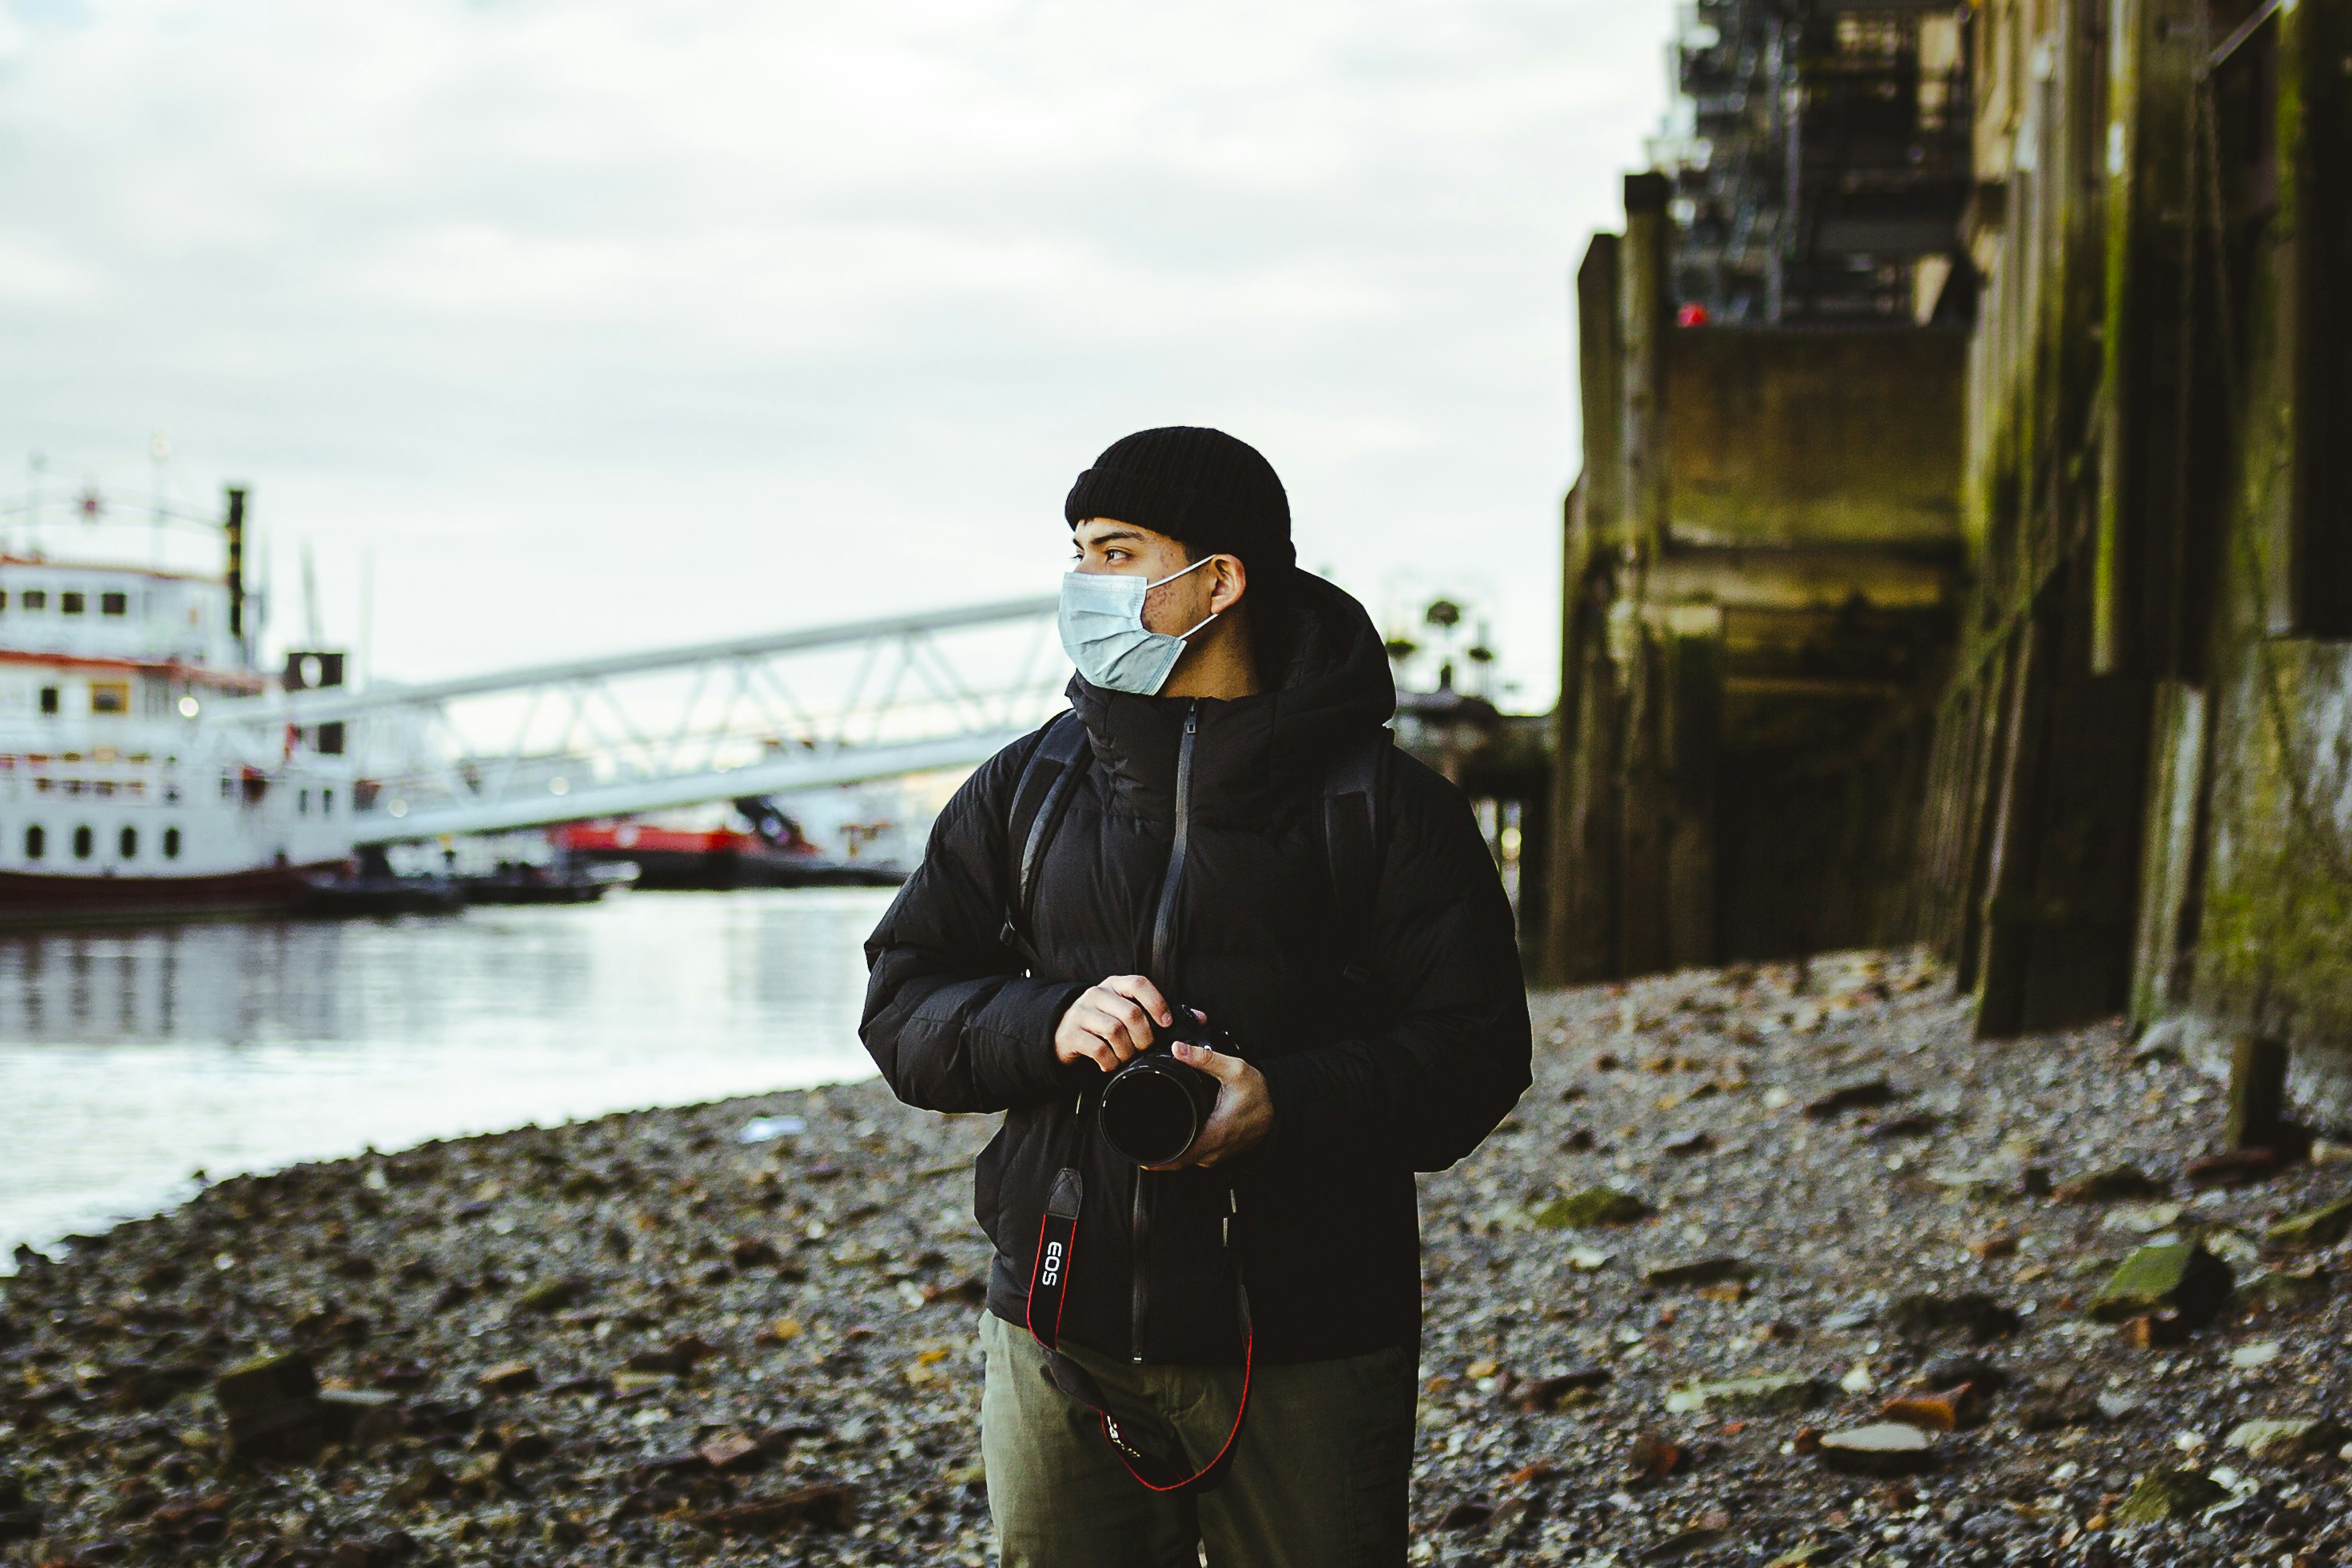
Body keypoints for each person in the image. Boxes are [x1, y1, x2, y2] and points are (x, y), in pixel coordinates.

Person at [861, 426, 1530, 1568]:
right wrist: (1045, 1020)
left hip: (1310, 1337)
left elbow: (1477, 1052)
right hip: (1057, 1324)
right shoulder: (1027, 786)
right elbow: (903, 1004)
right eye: (1077, 554)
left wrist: (1288, 1101)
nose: (1084, 588)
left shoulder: (1386, 804)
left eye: (1117, 554)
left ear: (1219, 579)